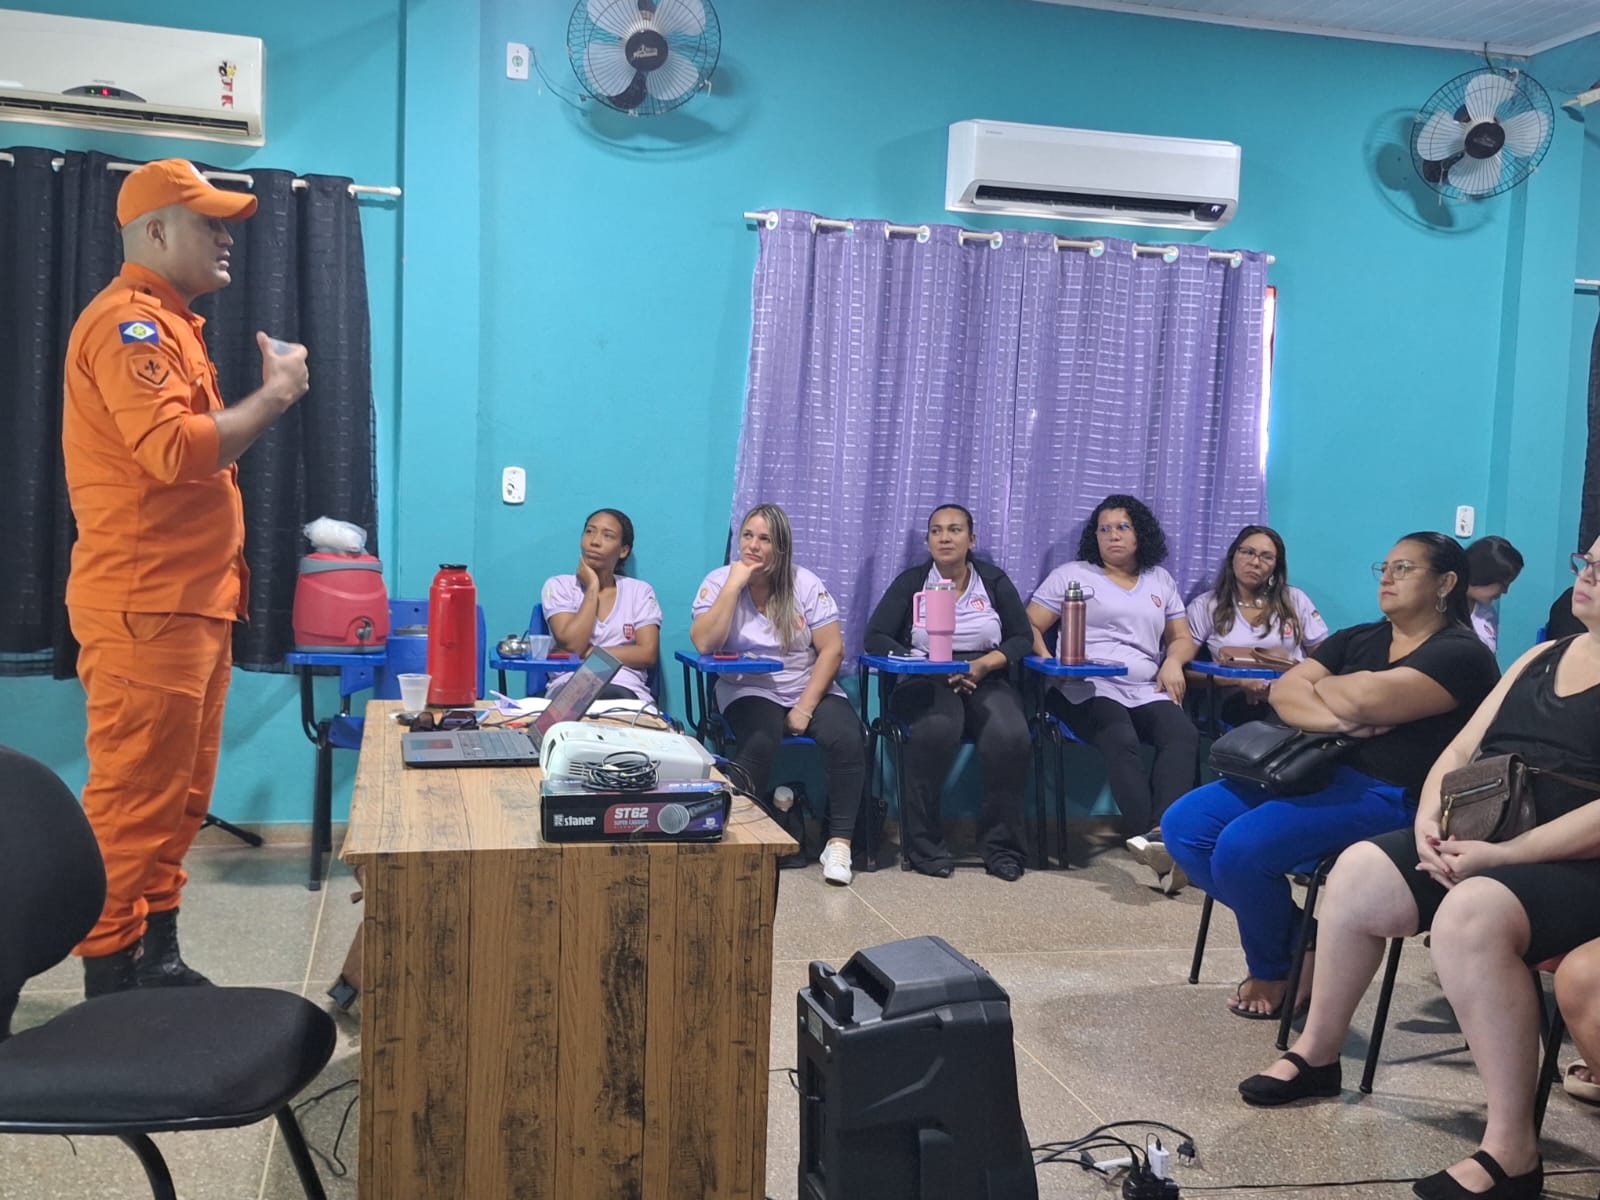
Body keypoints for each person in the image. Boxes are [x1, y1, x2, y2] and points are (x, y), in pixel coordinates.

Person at [1235, 542, 1600, 1200]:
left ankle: (1512, 1149)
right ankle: (1318, 1054)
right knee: (1359, 871)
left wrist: (1508, 856)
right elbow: (1463, 747)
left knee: (1471, 914)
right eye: (1588, 562)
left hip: (1575, 864)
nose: (1589, 576)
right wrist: (1433, 819)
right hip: (1492, 837)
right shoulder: (1542, 657)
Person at [62, 159, 310, 997]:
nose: (227, 235)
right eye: (208, 221)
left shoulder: (174, 325)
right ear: (155, 231)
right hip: (147, 607)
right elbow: (173, 453)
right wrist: (274, 396)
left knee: (178, 799)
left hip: (193, 605)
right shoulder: (126, 325)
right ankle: (107, 981)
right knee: (133, 802)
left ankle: (156, 956)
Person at [1165, 532, 1500, 1018]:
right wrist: (1344, 717)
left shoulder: (1462, 654)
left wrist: (1335, 690)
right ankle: (1307, 936)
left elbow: (1365, 697)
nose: (1387, 577)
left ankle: (1273, 969)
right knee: (1185, 827)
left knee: (1242, 846)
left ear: (1446, 582)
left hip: (1392, 797)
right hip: (1308, 772)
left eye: (1404, 568)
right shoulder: (1359, 638)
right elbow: (1286, 692)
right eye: (1383, 567)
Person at [691, 504, 866, 886]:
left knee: (848, 737)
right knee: (760, 739)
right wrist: (734, 585)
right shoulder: (719, 581)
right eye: (748, 536)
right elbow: (705, 642)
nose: (753, 545)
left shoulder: (805, 584)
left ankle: (839, 843)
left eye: (764, 539)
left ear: (781, 547)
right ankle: (737, 836)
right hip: (747, 686)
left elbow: (832, 649)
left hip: (805, 685)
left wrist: (805, 707)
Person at [1026, 494, 1200, 878]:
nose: (1113, 536)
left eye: (1123, 527)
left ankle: (1162, 837)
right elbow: (1031, 624)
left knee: (1183, 734)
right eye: (1104, 529)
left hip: (1144, 685)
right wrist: (1052, 666)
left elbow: (1182, 637)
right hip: (1087, 686)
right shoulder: (1073, 574)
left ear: (1141, 534)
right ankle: (1152, 838)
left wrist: (1173, 661)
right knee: (1119, 736)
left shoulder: (1160, 580)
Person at [862, 504, 1033, 881]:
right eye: (936, 531)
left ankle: (1002, 848)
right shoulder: (911, 583)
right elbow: (875, 636)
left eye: (954, 530)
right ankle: (924, 847)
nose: (945, 537)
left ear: (972, 539)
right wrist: (927, 664)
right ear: (927, 541)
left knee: (1010, 735)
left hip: (984, 674)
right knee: (937, 730)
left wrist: (986, 664)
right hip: (925, 678)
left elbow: (1022, 637)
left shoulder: (992, 581)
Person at [1186, 525, 1328, 728]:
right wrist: (1239, 681)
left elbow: (1325, 658)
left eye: (1266, 557)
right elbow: (1186, 673)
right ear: (1233, 556)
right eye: (1248, 552)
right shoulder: (1206, 606)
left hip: (1295, 692)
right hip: (1240, 700)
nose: (1255, 562)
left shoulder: (1295, 600)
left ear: (1275, 567)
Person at [540, 508, 661, 703]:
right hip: (570, 685)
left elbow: (647, 653)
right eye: (589, 531)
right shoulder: (559, 586)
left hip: (626, 689)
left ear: (623, 550)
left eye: (608, 535)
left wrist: (592, 652)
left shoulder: (639, 592)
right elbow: (574, 646)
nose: (594, 541)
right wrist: (592, 588)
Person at [1465, 535, 1524, 653]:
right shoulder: (1436, 608)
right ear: (1484, 574)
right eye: (1504, 584)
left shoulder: (1488, 614)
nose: (1505, 591)